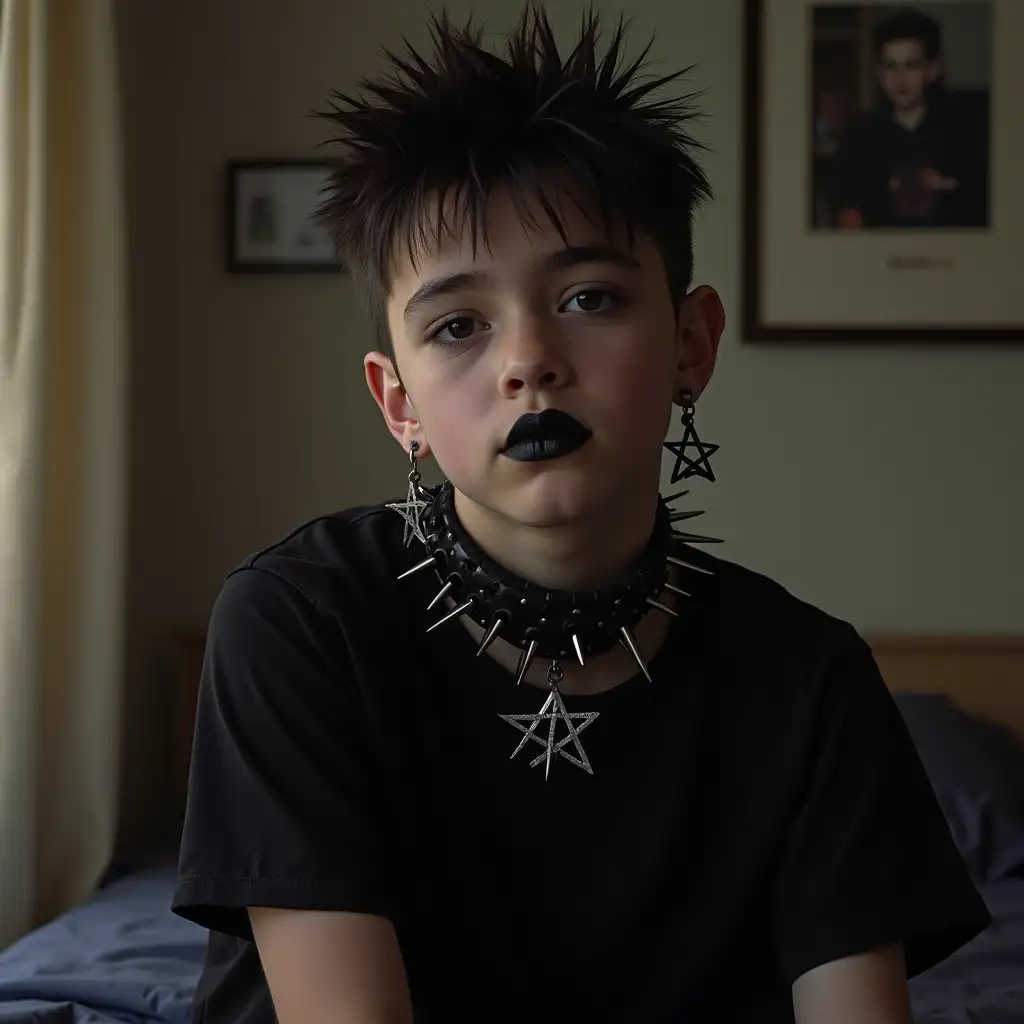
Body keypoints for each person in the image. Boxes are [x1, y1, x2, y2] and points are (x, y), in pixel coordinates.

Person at [172, 8, 991, 1023]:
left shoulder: (806, 681)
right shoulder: (298, 622)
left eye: (590, 297)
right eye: (459, 325)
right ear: (399, 405)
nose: (527, 361)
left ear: (691, 343)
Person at [830, 6, 988, 229]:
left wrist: (945, 185)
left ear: (933, 69)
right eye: (890, 67)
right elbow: (847, 213)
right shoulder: (859, 134)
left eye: (911, 65)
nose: (899, 78)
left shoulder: (965, 129)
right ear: (878, 73)